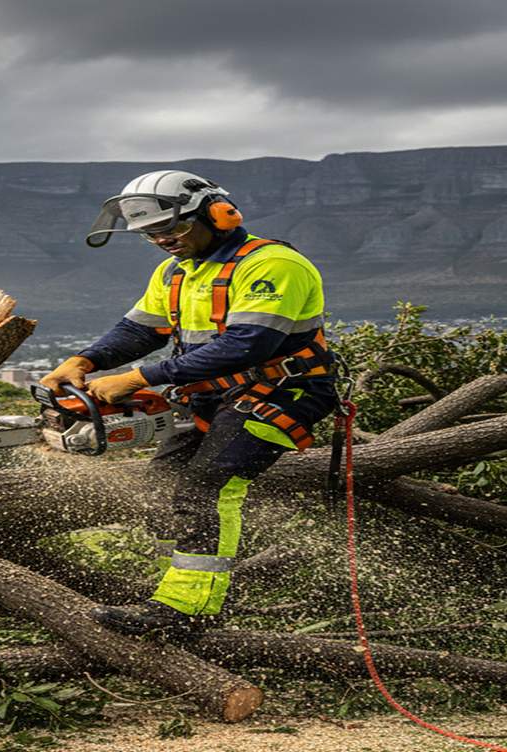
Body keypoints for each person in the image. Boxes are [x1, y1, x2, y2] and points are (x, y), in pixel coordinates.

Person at [40, 169, 338, 635]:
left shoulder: (273, 265)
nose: (162, 240)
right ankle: (171, 587)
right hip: (208, 394)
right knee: (161, 484)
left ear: (219, 214)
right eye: (151, 233)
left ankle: (186, 611)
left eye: (173, 228)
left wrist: (135, 379)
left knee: (207, 487)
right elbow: (140, 330)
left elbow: (248, 345)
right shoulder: (175, 271)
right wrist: (85, 361)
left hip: (284, 390)